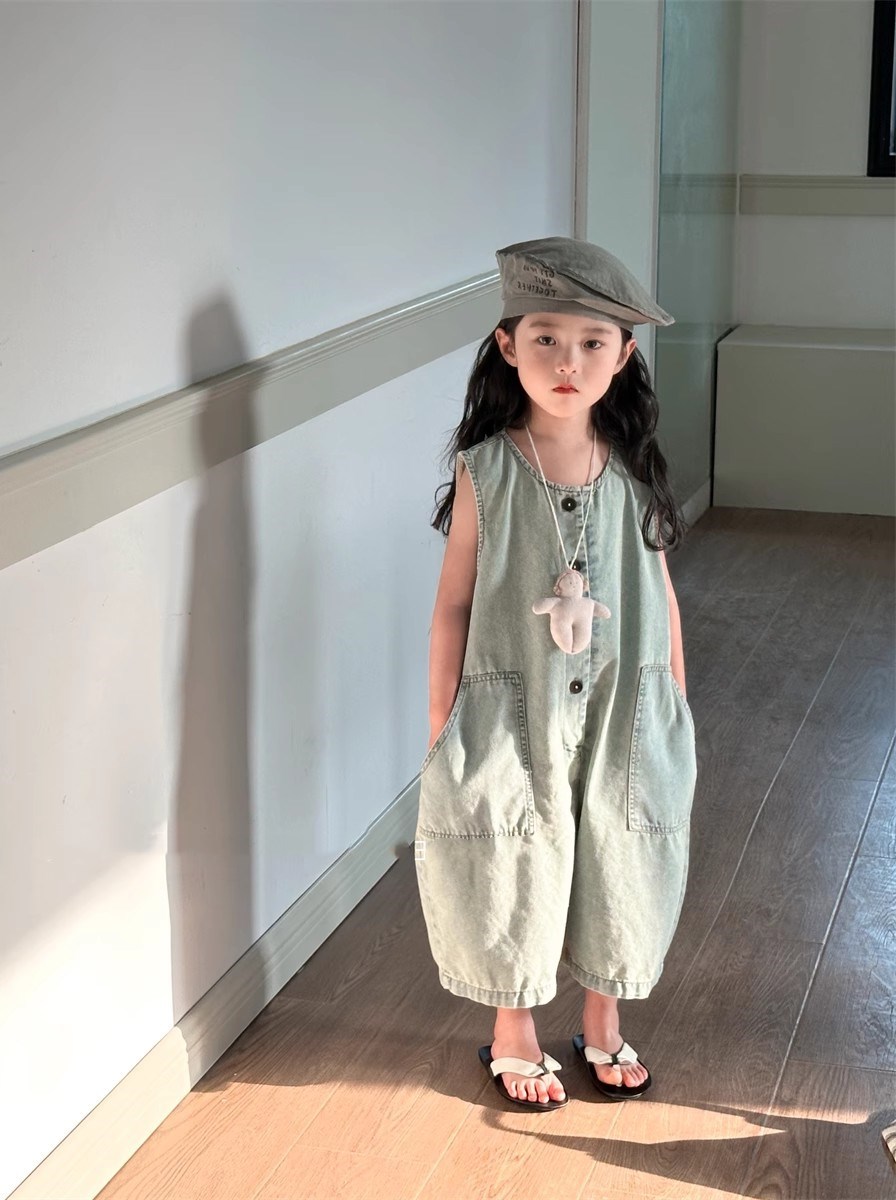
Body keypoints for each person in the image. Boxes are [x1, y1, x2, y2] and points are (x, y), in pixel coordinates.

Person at [414, 236, 698, 1112]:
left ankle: (603, 1017)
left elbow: (660, 591)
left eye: (591, 342)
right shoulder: (488, 469)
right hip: (510, 704)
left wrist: (675, 703)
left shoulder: (634, 469)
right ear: (507, 344)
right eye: (545, 338)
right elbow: (455, 600)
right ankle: (514, 1028)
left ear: (625, 354)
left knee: (621, 846)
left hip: (626, 706)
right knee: (512, 849)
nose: (567, 362)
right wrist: (442, 719)